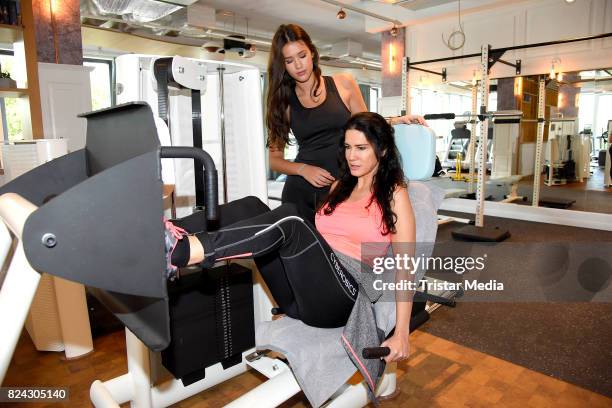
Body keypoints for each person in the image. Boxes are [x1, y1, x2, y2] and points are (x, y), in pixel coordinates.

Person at [166, 112, 416, 363]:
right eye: (348, 147)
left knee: (291, 220)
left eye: (361, 148)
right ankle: (170, 233)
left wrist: (402, 333)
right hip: (302, 296)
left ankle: (186, 251)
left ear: (382, 150)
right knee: (252, 205)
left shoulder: (395, 194)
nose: (351, 156)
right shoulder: (340, 186)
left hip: (343, 296)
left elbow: (406, 267)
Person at [265, 23, 425, 223]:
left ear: (312, 53)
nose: (298, 65)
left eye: (302, 56)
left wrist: (396, 120)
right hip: (301, 192)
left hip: (343, 186)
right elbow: (274, 159)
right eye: (289, 60)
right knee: (304, 252)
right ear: (283, 65)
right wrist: (303, 169)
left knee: (344, 251)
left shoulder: (343, 83)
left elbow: (366, 124)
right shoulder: (283, 103)